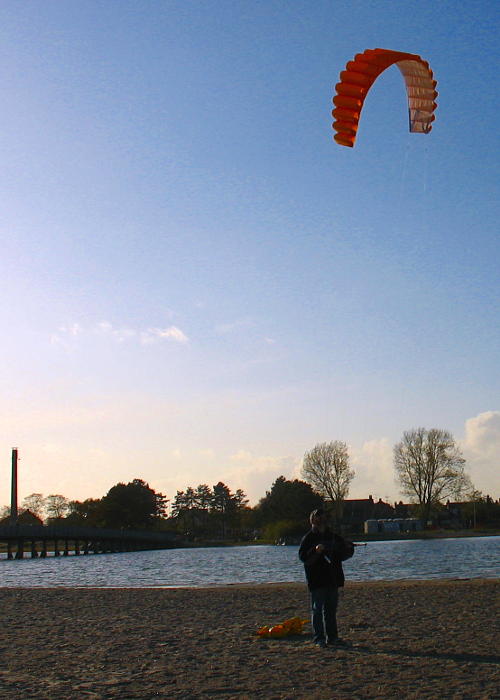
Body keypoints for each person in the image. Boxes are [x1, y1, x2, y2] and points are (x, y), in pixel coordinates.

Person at [298, 508, 351, 648]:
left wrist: (349, 548)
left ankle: (333, 637)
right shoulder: (308, 538)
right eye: (318, 517)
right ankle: (319, 638)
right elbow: (304, 558)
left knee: (331, 610)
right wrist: (315, 551)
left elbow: (343, 555)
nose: (321, 520)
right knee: (317, 610)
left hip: (332, 578)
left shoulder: (333, 537)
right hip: (317, 580)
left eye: (323, 517)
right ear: (312, 520)